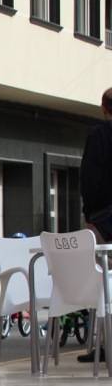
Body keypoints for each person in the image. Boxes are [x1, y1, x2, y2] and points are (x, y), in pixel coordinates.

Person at [77, 88, 112, 363]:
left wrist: (90, 214)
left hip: (103, 218)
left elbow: (88, 178)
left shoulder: (98, 135)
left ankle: (103, 346)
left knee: (103, 284)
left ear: (104, 108)